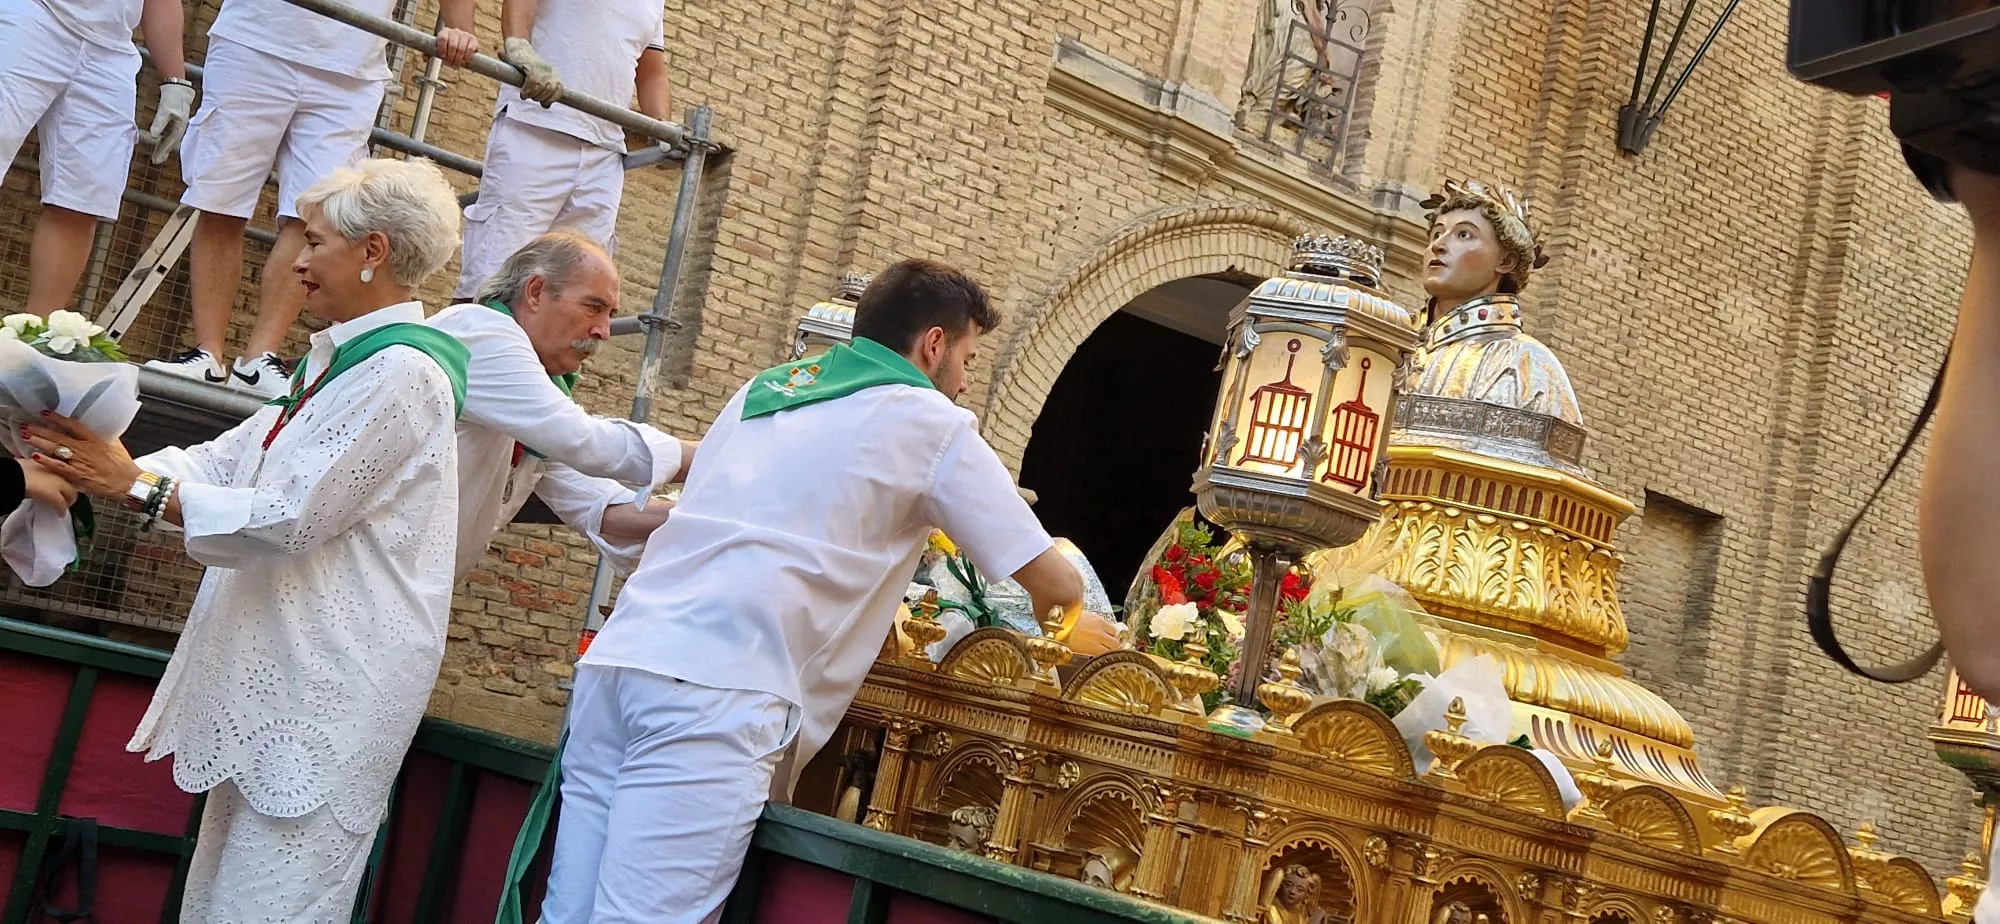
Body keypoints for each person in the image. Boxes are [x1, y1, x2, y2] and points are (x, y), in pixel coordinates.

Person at [540, 259, 1107, 923]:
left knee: (568, 913)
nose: (963, 381)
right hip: (720, 688)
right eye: (967, 360)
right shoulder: (930, 420)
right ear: (934, 343)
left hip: (620, 661)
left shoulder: (764, 390)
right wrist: (1069, 626)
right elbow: (1052, 578)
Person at [22, 158, 468, 921]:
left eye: (315, 242)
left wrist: (131, 484)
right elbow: (225, 460)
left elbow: (289, 518)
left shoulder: (404, 374)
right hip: (287, 675)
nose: (296, 262)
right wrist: (85, 458)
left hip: (325, 694)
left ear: (374, 252)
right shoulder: (343, 365)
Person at [144, 0, 477, 397]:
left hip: (353, 62)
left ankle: (258, 361)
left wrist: (460, 27)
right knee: (222, 199)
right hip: (256, 39)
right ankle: (207, 354)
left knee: (318, 214)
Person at [431, 231, 695, 577]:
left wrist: (711, 514)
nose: (604, 331)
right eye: (593, 307)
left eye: (610, 314)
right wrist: (725, 452)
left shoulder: (532, 414)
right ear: (535, 291)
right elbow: (586, 441)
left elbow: (599, 507)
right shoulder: (480, 331)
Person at [453, 0, 673, 300]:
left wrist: (662, 126)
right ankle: (468, 329)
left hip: (604, 153)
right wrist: (520, 48)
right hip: (536, 127)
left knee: (577, 287)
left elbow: (651, 71)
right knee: (492, 275)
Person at [0, 0, 190, 315]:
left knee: (83, 196)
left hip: (111, 45)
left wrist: (175, 82)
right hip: (33, 13)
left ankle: (36, 333)